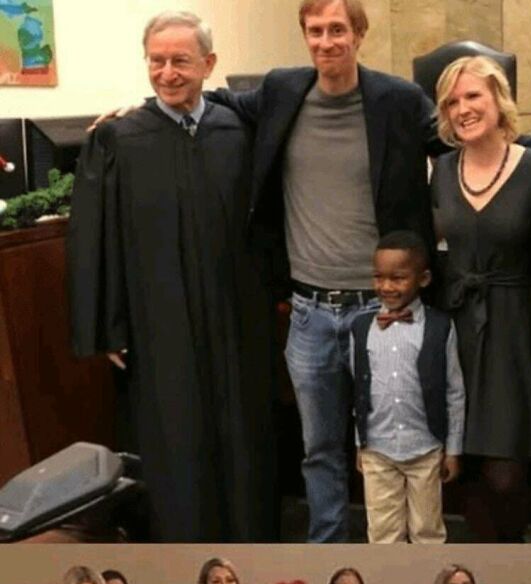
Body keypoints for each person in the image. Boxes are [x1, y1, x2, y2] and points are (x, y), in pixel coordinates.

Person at [207, 0, 439, 542]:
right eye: (315, 31)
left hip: (383, 310)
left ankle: (399, 552)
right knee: (320, 448)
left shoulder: (398, 100)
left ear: (359, 34)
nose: (326, 41)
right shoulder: (282, 90)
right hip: (310, 313)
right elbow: (219, 101)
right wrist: (139, 109)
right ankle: (326, 548)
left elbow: (456, 136)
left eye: (338, 29)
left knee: (392, 446)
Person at [68, 10, 276, 542]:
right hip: (156, 316)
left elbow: (267, 218)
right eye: (156, 61)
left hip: (235, 312)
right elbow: (98, 236)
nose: (167, 73)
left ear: (208, 63)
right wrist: (108, 324)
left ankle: (251, 537)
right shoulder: (118, 139)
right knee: (174, 429)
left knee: (241, 428)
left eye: (180, 61)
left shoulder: (237, 131)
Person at [432, 56, 531, 542]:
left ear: (499, 100)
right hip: (457, 326)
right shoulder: (440, 170)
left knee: (506, 473)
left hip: (514, 331)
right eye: (452, 101)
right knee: (461, 467)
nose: (463, 108)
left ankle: (512, 551)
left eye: (473, 96)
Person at [350, 231, 465, 543]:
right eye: (379, 277)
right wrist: (361, 442)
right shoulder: (361, 328)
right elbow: (359, 390)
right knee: (383, 533)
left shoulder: (440, 327)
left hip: (424, 447)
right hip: (378, 448)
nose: (386, 287)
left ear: (423, 278)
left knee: (427, 531)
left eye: (398, 278)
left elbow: (454, 391)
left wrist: (452, 449)